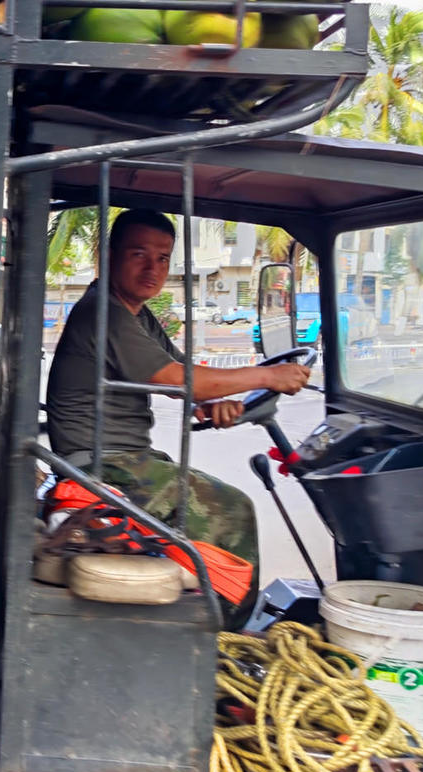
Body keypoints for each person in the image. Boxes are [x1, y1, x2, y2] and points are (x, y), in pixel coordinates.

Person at [45, 208, 311, 584]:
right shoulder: (104, 313)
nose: (153, 269)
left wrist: (210, 402)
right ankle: (226, 627)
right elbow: (181, 380)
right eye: (138, 255)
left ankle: (204, 601)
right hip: (100, 467)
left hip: (125, 460)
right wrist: (268, 375)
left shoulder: (134, 313)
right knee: (235, 509)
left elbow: (183, 372)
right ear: (109, 257)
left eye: (163, 258)